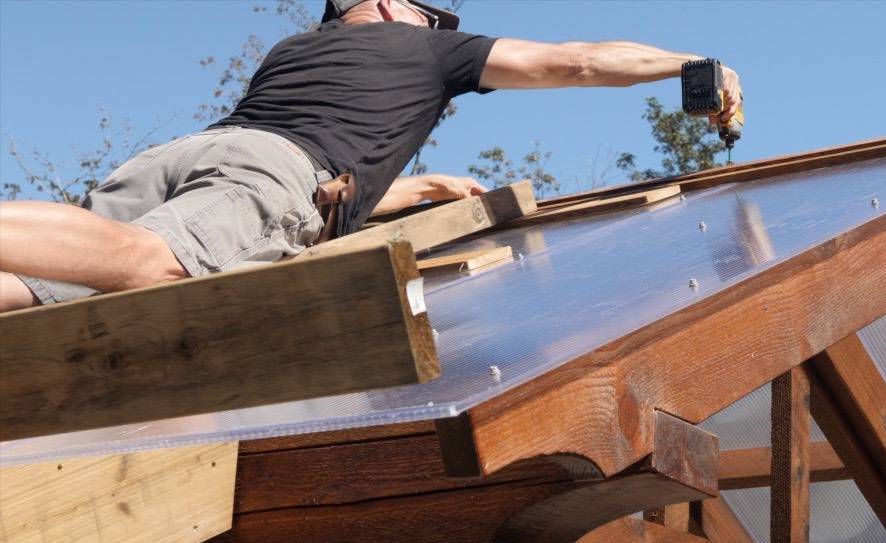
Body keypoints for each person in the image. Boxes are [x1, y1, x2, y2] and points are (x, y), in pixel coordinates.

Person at [0, 0, 742, 312]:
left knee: (42, 291)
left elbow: (314, 184)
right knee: (156, 264)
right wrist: (684, 64)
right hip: (267, 169)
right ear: (389, 5)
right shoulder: (427, 48)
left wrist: (421, 187)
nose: (441, 26)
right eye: (432, 14)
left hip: (185, 157)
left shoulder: (295, 51)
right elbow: (575, 61)